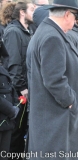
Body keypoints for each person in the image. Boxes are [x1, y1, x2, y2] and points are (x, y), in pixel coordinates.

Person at [26, 0, 78, 159]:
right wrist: (70, 100)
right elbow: (54, 79)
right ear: (67, 14)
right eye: (75, 17)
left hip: (57, 117)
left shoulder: (50, 32)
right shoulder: (52, 36)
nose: (75, 22)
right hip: (56, 118)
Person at [3, 1, 34, 158]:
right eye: (32, 9)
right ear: (22, 12)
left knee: (21, 132)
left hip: (28, 89)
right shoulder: (14, 32)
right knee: (15, 133)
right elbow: (13, 64)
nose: (35, 13)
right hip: (18, 93)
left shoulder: (28, 31)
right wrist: (22, 88)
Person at [0, 65, 19, 160]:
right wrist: (11, 110)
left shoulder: (3, 67)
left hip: (7, 122)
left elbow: (11, 88)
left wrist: (16, 104)